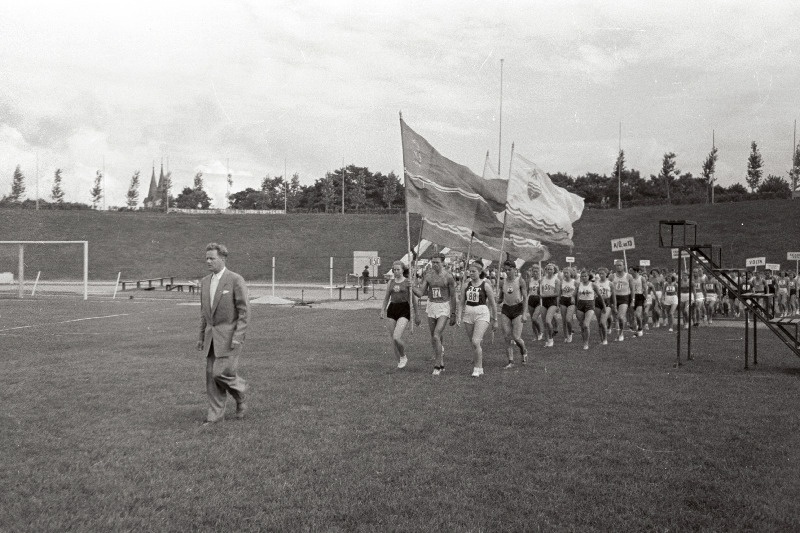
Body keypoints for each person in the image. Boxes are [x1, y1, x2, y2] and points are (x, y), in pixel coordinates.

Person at [198, 242, 250, 426]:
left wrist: (238, 336)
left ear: (223, 258)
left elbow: (244, 312)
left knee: (220, 373)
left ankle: (241, 393)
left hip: (230, 337)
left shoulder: (235, 280)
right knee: (211, 377)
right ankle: (215, 416)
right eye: (206, 258)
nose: (208, 261)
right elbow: (204, 313)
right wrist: (201, 336)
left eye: (212, 258)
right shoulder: (205, 282)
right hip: (211, 338)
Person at [413, 253, 457, 375]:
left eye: (437, 262)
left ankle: (437, 366)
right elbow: (420, 293)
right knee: (434, 336)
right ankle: (441, 362)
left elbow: (453, 296)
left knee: (437, 335)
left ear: (443, 263)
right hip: (431, 306)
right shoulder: (428, 276)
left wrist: (453, 313)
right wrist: (412, 287)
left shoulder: (448, 277)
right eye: (433, 262)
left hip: (443, 307)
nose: (435, 264)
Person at [458, 262, 498, 377]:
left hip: (482, 313)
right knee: (474, 342)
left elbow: (493, 304)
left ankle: (478, 368)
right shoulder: (466, 285)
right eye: (470, 271)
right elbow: (461, 302)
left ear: (480, 272)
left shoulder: (485, 285)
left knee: (476, 341)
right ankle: (479, 366)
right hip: (468, 313)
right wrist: (459, 316)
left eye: (474, 271)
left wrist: (495, 319)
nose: (471, 273)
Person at [380, 261, 420, 369]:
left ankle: (403, 356)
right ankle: (399, 363)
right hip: (392, 308)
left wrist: (417, 315)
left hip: (404, 309)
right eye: (394, 270)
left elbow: (414, 301)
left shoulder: (407, 282)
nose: (396, 271)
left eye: (398, 269)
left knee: (397, 337)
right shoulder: (391, 282)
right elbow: (387, 297)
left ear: (402, 270)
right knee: (393, 339)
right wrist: (383, 309)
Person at [498, 259, 529, 368]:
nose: (507, 272)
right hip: (506, 309)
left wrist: (524, 313)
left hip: (517, 309)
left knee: (516, 337)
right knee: (507, 337)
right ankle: (510, 361)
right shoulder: (502, 282)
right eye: (505, 270)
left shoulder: (520, 281)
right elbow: (501, 297)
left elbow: (525, 298)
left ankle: (524, 350)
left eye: (509, 270)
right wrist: (497, 300)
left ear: (515, 269)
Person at [575, 270, 604, 350]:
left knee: (586, 325)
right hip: (580, 305)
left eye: (585, 276)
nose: (584, 277)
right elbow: (574, 294)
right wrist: (572, 299)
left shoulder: (593, 285)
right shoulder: (578, 284)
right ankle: (584, 341)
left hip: (590, 305)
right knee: (582, 325)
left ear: (589, 277)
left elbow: (600, 296)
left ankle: (586, 343)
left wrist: (604, 306)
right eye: (582, 276)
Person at [540, 263, 561, 347]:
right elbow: (540, 292)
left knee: (548, 321)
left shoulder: (556, 280)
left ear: (554, 270)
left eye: (551, 269)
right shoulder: (542, 279)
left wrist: (545, 295)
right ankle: (546, 340)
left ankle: (551, 339)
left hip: (552, 302)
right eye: (548, 269)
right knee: (544, 323)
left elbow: (557, 293)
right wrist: (539, 289)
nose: (549, 271)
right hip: (544, 302)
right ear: (546, 270)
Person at [611, 262, 633, 341]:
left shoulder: (628, 276)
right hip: (614, 297)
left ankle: (621, 333)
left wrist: (633, 300)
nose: (618, 267)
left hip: (624, 298)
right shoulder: (612, 276)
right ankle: (618, 334)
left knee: (621, 317)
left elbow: (632, 289)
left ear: (623, 266)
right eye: (617, 265)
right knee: (615, 318)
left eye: (620, 265)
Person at [526, 265, 544, 341]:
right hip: (531, 299)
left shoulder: (542, 280)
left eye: (537, 272)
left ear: (540, 272)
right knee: (532, 320)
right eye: (534, 271)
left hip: (539, 300)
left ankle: (540, 332)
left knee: (534, 318)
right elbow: (527, 291)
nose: (535, 273)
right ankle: (535, 336)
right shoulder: (530, 280)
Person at [559, 268, 577, 343]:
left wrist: (575, 300)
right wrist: (558, 303)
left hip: (571, 301)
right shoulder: (561, 282)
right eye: (564, 273)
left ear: (570, 274)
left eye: (567, 273)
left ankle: (570, 333)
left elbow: (577, 292)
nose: (565, 274)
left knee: (568, 319)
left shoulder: (574, 282)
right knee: (564, 320)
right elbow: (560, 293)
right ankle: (565, 336)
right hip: (563, 300)